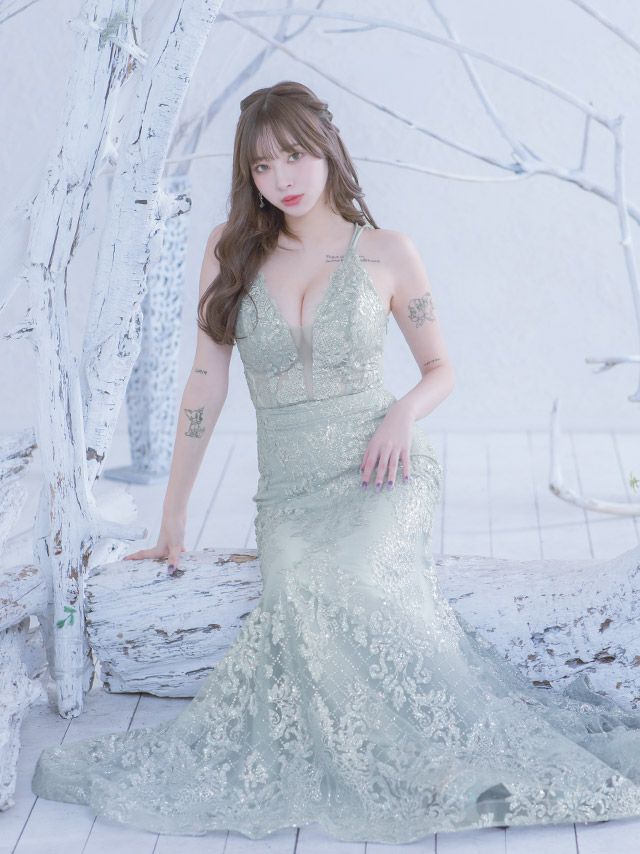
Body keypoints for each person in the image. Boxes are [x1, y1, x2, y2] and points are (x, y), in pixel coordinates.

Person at [31, 80, 640, 842]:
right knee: (302, 585)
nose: (281, 178)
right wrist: (173, 517)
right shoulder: (229, 251)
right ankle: (411, 761)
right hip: (289, 492)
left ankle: (446, 759)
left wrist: (401, 414)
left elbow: (442, 369)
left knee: (357, 576)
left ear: (327, 150)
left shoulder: (387, 251)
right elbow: (205, 383)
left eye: (294, 156)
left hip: (382, 470)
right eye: (261, 166)